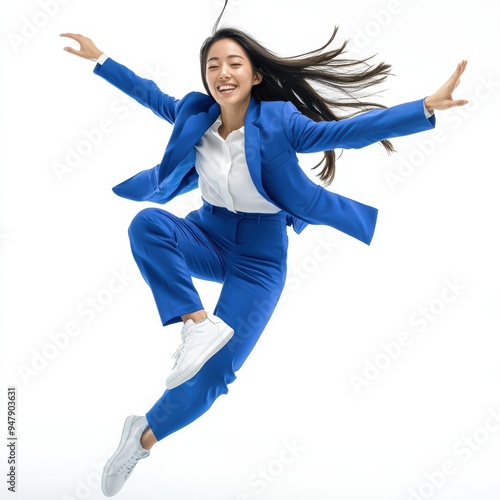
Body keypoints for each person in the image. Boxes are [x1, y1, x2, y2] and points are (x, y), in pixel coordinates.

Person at [60, 11, 467, 496]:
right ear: (206, 77)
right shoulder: (195, 114)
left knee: (215, 374)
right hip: (206, 236)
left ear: (254, 75)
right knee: (147, 224)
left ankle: (141, 437)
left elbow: (344, 133)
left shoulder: (278, 121)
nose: (223, 72)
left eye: (234, 63)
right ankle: (195, 324)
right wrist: (100, 59)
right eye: (213, 65)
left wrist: (423, 107)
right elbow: (150, 94)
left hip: (260, 258)